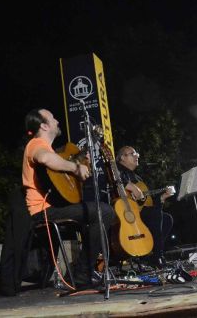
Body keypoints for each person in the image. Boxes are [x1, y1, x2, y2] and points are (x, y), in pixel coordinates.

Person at [22, 108, 115, 287]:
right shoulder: (36, 144)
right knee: (103, 211)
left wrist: (80, 164)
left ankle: (83, 271)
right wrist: (74, 167)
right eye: (53, 118)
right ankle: (82, 274)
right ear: (44, 125)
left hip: (53, 207)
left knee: (101, 213)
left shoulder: (50, 148)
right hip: (42, 212)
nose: (57, 121)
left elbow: (59, 181)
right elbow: (45, 159)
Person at [115, 145, 175, 265]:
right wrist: (131, 186)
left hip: (138, 213)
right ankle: (157, 255)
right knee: (154, 214)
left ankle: (151, 253)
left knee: (167, 218)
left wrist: (162, 198)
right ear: (122, 157)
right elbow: (116, 180)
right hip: (125, 214)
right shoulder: (116, 169)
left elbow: (147, 204)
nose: (137, 155)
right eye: (133, 153)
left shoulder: (137, 177)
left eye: (136, 153)